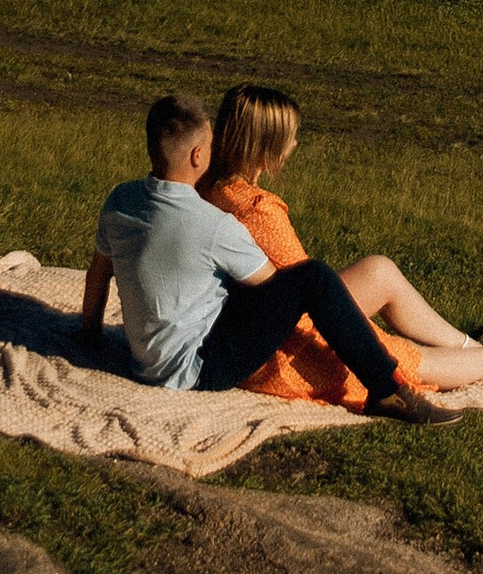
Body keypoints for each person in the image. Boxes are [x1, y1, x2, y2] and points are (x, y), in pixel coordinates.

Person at [83, 93, 460, 420]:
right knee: (313, 278)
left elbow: (98, 274)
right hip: (198, 369)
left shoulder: (120, 200)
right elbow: (277, 291)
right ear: (198, 154)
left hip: (144, 361)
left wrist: (89, 335)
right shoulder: (213, 224)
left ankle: (388, 385)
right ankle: (387, 388)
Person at [200, 82, 483, 402]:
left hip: (254, 319)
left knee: (379, 272)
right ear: (266, 147)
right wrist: (365, 337)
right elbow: (311, 296)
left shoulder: (209, 191)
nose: (295, 143)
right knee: (404, 357)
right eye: (289, 137)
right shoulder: (258, 210)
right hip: (276, 348)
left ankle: (473, 350)